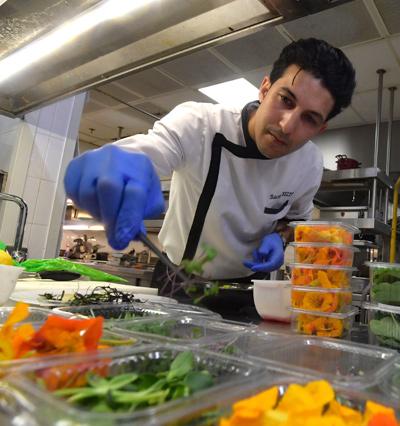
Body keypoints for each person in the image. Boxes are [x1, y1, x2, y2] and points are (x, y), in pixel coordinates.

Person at [64, 38, 357, 296]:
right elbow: (151, 150)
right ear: (265, 89)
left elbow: (294, 221)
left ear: (320, 129)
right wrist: (117, 164)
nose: (287, 125)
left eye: (309, 119)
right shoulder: (201, 124)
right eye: (286, 100)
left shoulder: (309, 164)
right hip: (178, 279)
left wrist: (280, 239)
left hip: (250, 288)